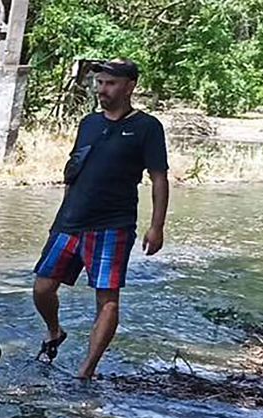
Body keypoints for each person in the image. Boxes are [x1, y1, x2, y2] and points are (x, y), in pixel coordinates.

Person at [32, 59, 169, 380]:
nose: (101, 89)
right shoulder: (89, 123)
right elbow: (73, 169)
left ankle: (86, 371)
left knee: (106, 299)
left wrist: (157, 226)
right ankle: (55, 332)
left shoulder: (147, 127)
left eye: (108, 83)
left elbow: (159, 178)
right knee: (42, 287)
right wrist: (61, 216)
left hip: (112, 225)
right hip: (71, 221)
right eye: (98, 83)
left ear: (129, 86)